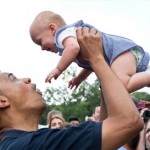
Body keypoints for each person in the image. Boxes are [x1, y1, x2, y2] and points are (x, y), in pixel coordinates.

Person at [0, 27, 143, 150]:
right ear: (2, 101)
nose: (27, 79)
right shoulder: (34, 144)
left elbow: (107, 132)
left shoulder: (17, 144)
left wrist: (104, 71)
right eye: (13, 78)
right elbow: (128, 122)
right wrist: (96, 57)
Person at [29, 11, 150, 93]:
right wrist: (79, 78)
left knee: (120, 87)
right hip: (122, 54)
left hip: (120, 52)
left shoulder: (62, 35)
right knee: (116, 89)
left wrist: (58, 69)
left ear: (52, 28)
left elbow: (72, 48)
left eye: (40, 41)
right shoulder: (72, 42)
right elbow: (91, 64)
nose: (42, 48)